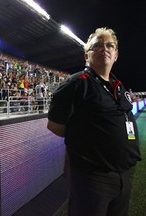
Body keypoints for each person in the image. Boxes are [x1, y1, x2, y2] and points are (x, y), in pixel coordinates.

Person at [47, 27, 141, 216]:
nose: (104, 49)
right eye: (97, 46)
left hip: (122, 173)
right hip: (92, 178)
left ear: (116, 55)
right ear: (86, 56)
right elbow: (54, 125)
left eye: (109, 46)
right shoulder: (76, 84)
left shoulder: (118, 86)